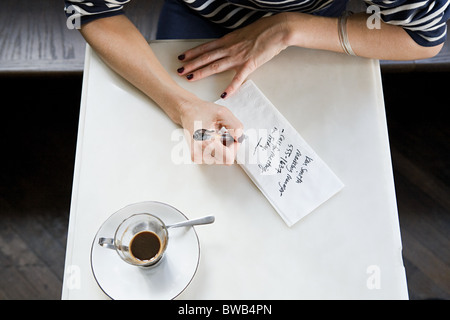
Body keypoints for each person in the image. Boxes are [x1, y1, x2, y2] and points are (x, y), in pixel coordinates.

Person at [64, 0, 449, 164]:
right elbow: (94, 11)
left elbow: (424, 36)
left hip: (315, 27)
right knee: (180, 165)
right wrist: (180, 103)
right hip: (197, 21)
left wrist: (289, 27)